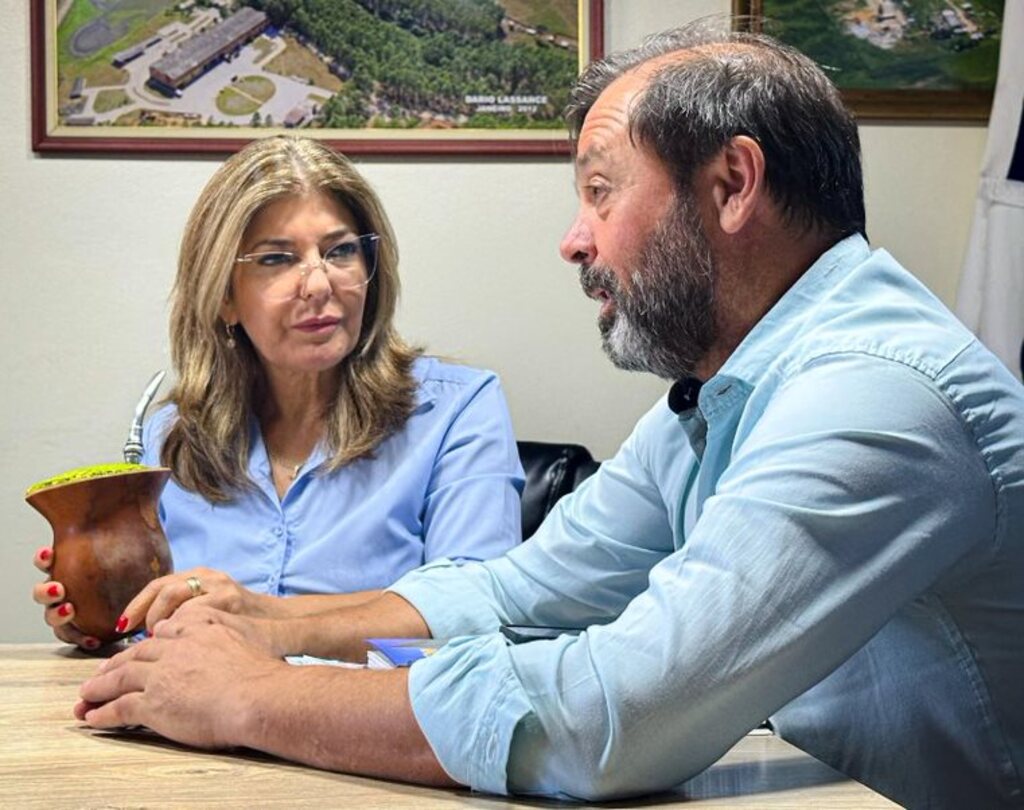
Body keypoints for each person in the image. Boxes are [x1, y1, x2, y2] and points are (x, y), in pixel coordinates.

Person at [75, 23, 1024, 809]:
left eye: (600, 191)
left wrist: (257, 696)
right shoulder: (723, 391)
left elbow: (609, 722)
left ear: (733, 185)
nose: (575, 239)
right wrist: (277, 622)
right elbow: (523, 588)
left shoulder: (872, 399)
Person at [32, 135, 523, 649]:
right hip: (194, 723)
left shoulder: (456, 410)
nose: (318, 284)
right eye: (276, 259)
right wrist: (101, 614)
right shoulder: (173, 436)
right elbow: (153, 628)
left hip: (375, 720)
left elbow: (476, 608)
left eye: (341, 251)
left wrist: (259, 615)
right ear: (224, 296)